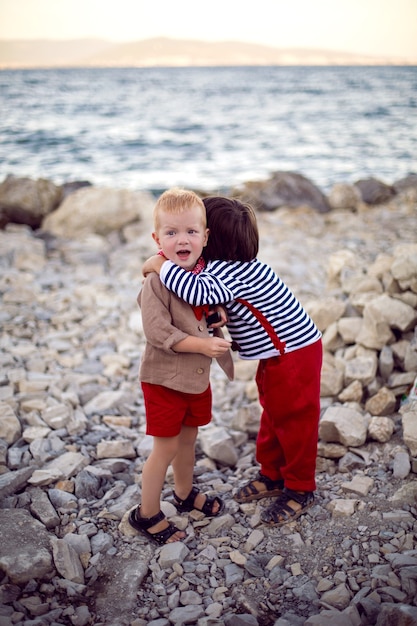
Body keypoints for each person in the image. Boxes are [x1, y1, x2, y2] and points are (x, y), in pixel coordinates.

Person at [143, 196, 323, 527]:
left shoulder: (229, 271)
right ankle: (273, 474)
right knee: (273, 412)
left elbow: (193, 291)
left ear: (211, 239)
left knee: (295, 418)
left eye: (197, 231)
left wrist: (159, 264)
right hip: (276, 354)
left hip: (294, 353)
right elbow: (217, 303)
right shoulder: (233, 268)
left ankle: (300, 487)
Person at [129, 188, 233, 545]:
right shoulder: (156, 282)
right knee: (166, 448)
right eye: (171, 233)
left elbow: (204, 311)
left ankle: (184, 493)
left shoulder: (202, 275)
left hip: (195, 380)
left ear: (205, 237)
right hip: (164, 381)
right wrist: (203, 344)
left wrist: (216, 318)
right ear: (157, 239)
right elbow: (158, 333)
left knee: (189, 440)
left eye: (190, 231)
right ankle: (146, 514)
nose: (181, 240)